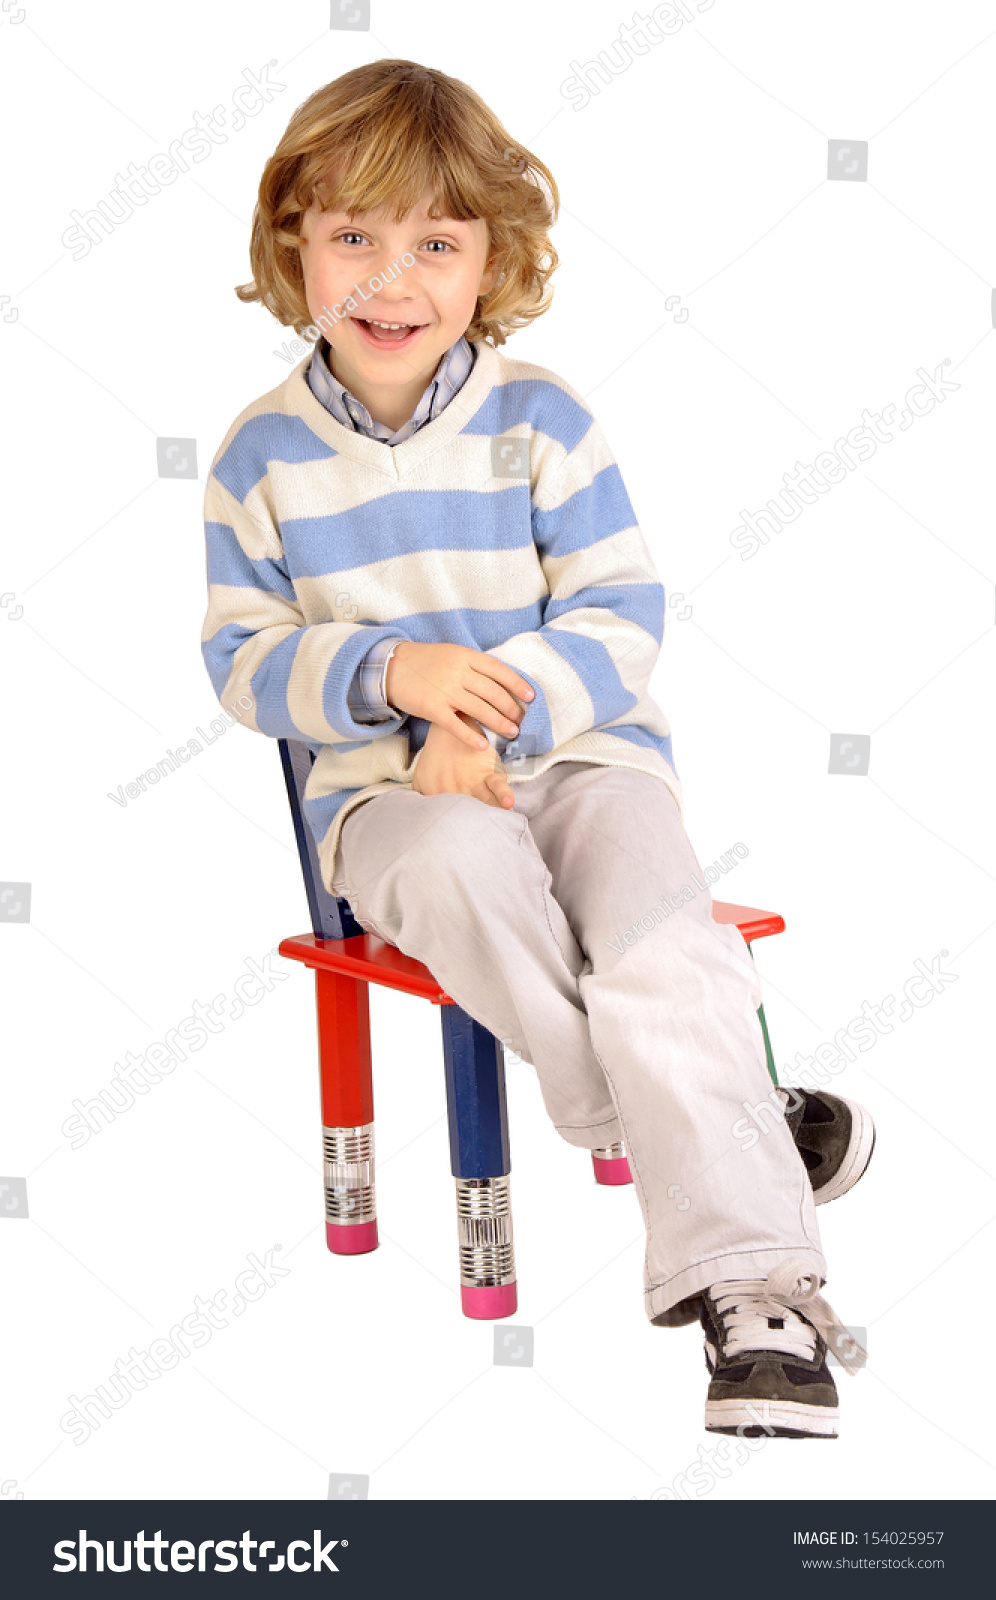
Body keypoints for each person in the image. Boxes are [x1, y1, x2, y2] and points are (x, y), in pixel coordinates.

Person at [201, 59, 871, 1436]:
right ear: (293, 247)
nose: (393, 280)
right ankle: (705, 1113)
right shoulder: (255, 458)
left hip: (589, 761)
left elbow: (622, 612)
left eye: (436, 243)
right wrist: (399, 676)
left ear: (491, 259)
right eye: (352, 236)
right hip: (388, 806)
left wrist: (488, 711)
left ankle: (761, 1299)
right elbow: (242, 662)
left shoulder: (543, 419)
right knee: (455, 860)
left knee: (665, 945)